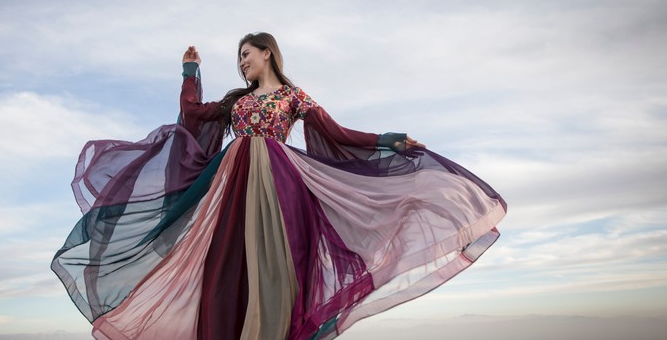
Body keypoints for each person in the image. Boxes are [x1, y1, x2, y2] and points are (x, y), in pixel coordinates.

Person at [51, 32, 507, 340]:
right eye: (237, 58)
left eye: (246, 54)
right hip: (234, 187)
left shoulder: (293, 97)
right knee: (227, 269)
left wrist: (390, 140)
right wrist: (190, 72)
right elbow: (191, 115)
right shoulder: (236, 102)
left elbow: (341, 134)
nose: (242, 61)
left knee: (284, 273)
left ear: (266, 52)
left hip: (282, 183)